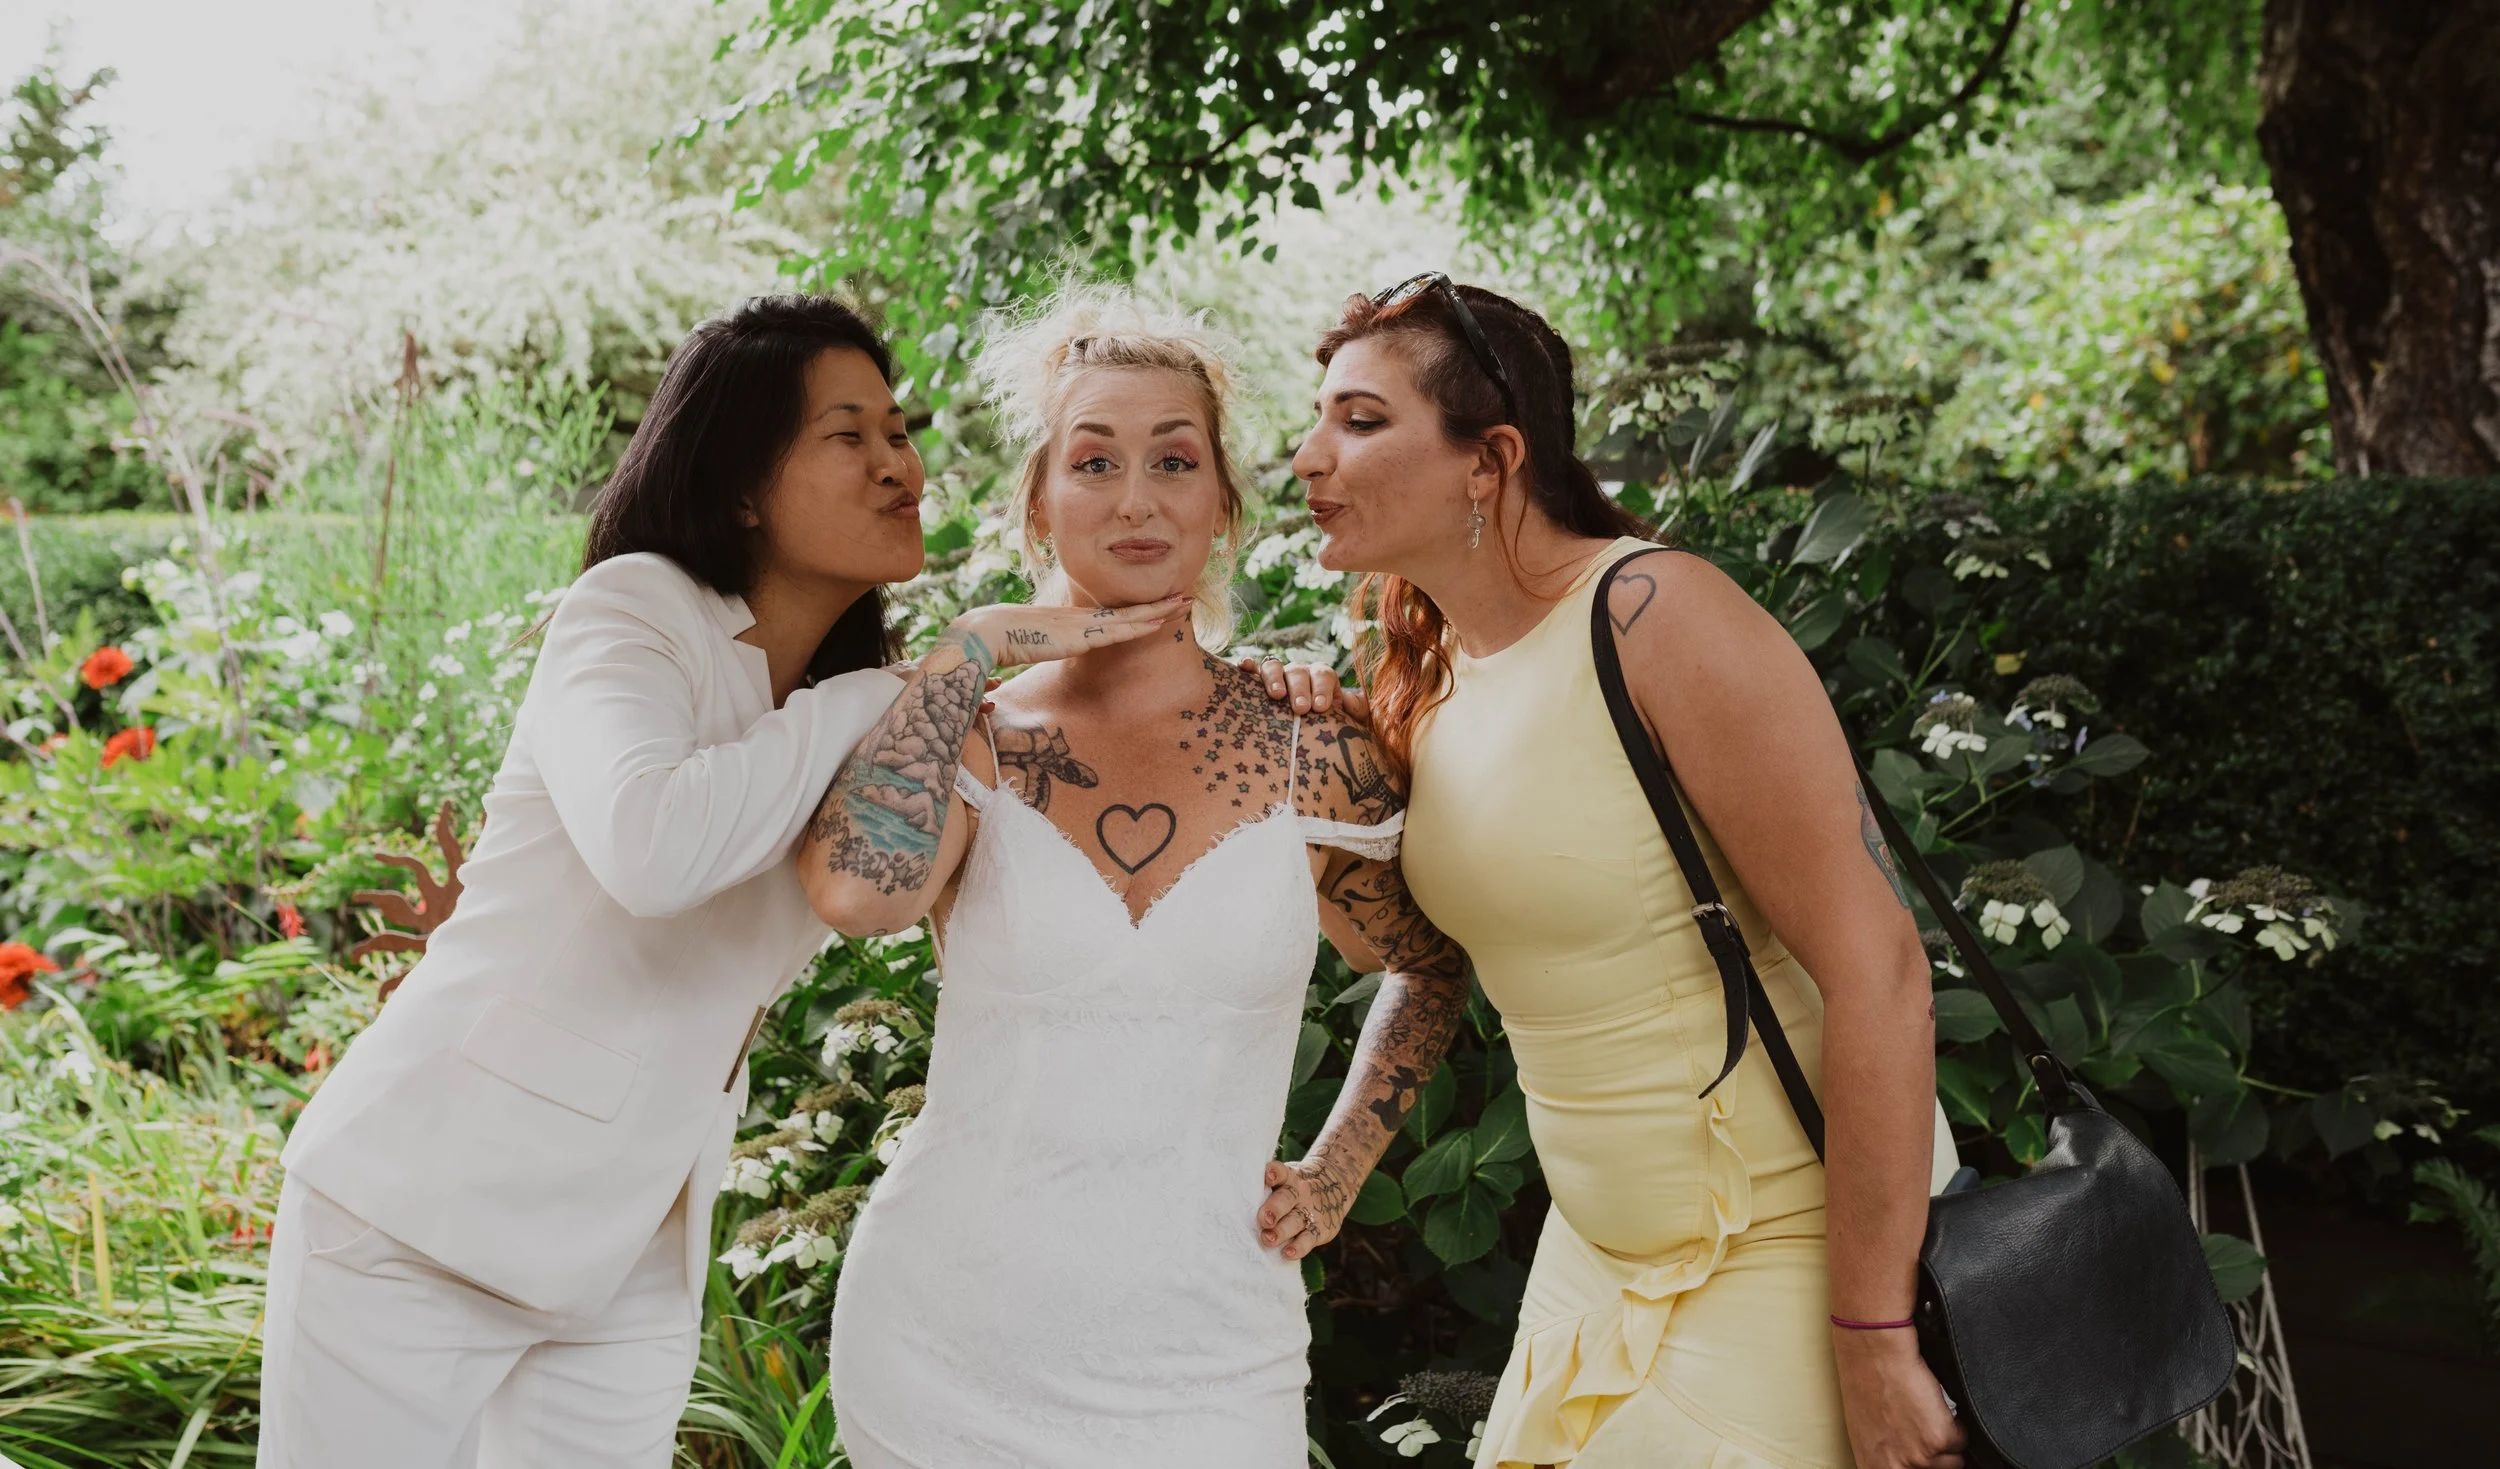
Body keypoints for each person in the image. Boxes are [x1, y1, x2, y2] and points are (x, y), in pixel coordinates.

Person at [256, 295, 1180, 1468]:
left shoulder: (883, 705)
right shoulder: (629, 613)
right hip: (418, 1210)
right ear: (743, 482)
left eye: (901, 430)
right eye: (850, 434)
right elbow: (652, 848)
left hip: (636, 1239)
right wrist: (919, 677)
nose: (899, 462)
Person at [1275, 274, 1966, 1469]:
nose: (1306, 455)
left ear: (1487, 459)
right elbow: (1412, 955)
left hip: (1783, 1246)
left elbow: (1883, 973)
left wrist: (1870, 1330)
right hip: (1594, 1260)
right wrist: (1323, 789)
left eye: (1360, 419)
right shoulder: (1425, 666)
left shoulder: (1654, 615)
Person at [806, 287, 1475, 1469]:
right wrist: (970, 652)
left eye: (1174, 460)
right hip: (941, 1343)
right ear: (1038, 501)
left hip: (1211, 1357)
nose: (1134, 499)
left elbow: (1428, 960)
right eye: (1092, 461)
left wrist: (1333, 1172)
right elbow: (860, 895)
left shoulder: (1310, 745)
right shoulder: (974, 731)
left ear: (1221, 503)